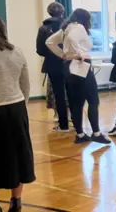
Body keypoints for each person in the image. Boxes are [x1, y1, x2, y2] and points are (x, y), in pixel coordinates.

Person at [46, 9, 110, 144]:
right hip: (81, 65)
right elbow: (72, 39)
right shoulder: (79, 27)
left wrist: (63, 55)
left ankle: (80, 134)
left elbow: (49, 42)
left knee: (76, 102)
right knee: (93, 100)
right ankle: (96, 133)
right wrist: (79, 53)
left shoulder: (66, 28)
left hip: (68, 65)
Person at [0, 17, 35, 212]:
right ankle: (16, 201)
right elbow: (25, 84)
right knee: (19, 154)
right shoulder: (16, 51)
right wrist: (22, 105)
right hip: (16, 108)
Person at [35, 2, 69, 132]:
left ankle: (63, 125)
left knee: (59, 95)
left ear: (49, 12)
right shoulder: (69, 26)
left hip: (53, 65)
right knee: (72, 93)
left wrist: (51, 54)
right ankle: (78, 125)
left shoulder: (44, 28)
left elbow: (40, 50)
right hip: (69, 62)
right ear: (62, 12)